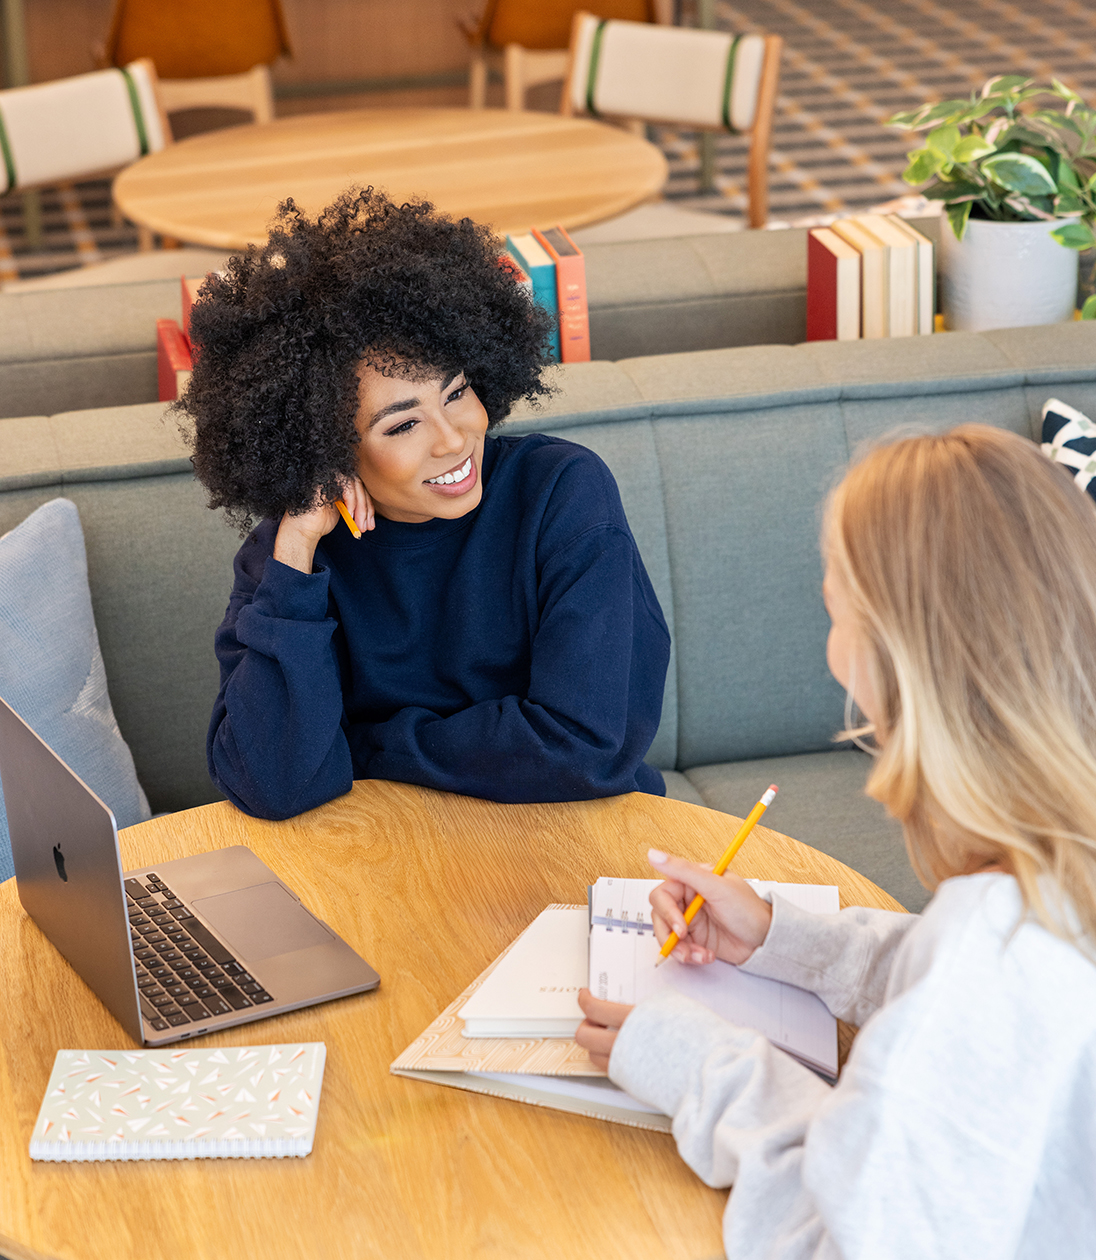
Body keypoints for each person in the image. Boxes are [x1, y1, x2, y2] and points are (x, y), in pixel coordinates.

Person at [576, 424, 1096, 1258]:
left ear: (893, 659)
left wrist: (702, 1064)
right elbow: (964, 992)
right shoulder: (1051, 881)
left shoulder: (990, 959)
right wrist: (789, 940)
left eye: (833, 609)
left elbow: (841, 1242)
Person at [181, 188, 670, 820]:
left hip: (573, 840)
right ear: (326, 448)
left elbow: (584, 747)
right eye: (401, 426)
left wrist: (361, 747)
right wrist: (298, 549)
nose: (454, 439)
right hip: (391, 860)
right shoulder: (288, 559)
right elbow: (272, 783)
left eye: (458, 391)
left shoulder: (561, 493)